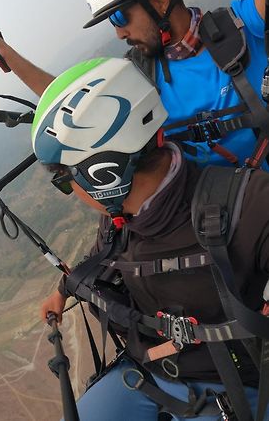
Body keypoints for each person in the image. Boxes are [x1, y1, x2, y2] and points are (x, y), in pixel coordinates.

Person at [31, 57, 269, 420]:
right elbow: (102, 256)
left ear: (102, 173)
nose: (71, 191)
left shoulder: (249, 205)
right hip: (148, 375)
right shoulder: (120, 221)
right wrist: (64, 289)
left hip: (237, 391)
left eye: (66, 180)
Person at [0, 0, 268, 168]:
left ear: (160, 2)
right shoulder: (140, 74)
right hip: (222, 224)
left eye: (120, 17)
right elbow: (69, 100)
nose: (119, 34)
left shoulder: (241, 24)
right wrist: (5, 52)